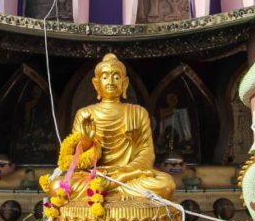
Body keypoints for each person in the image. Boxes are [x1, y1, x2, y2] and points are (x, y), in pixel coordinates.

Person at [53, 53, 175, 201]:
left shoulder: (138, 112)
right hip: (94, 175)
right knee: (57, 186)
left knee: (167, 184)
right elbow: (77, 162)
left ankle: (105, 190)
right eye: (105, 77)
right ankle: (111, 190)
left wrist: (124, 173)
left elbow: (147, 152)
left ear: (125, 83)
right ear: (96, 83)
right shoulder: (85, 114)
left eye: (116, 77)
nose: (111, 82)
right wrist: (86, 141)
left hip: (128, 175)